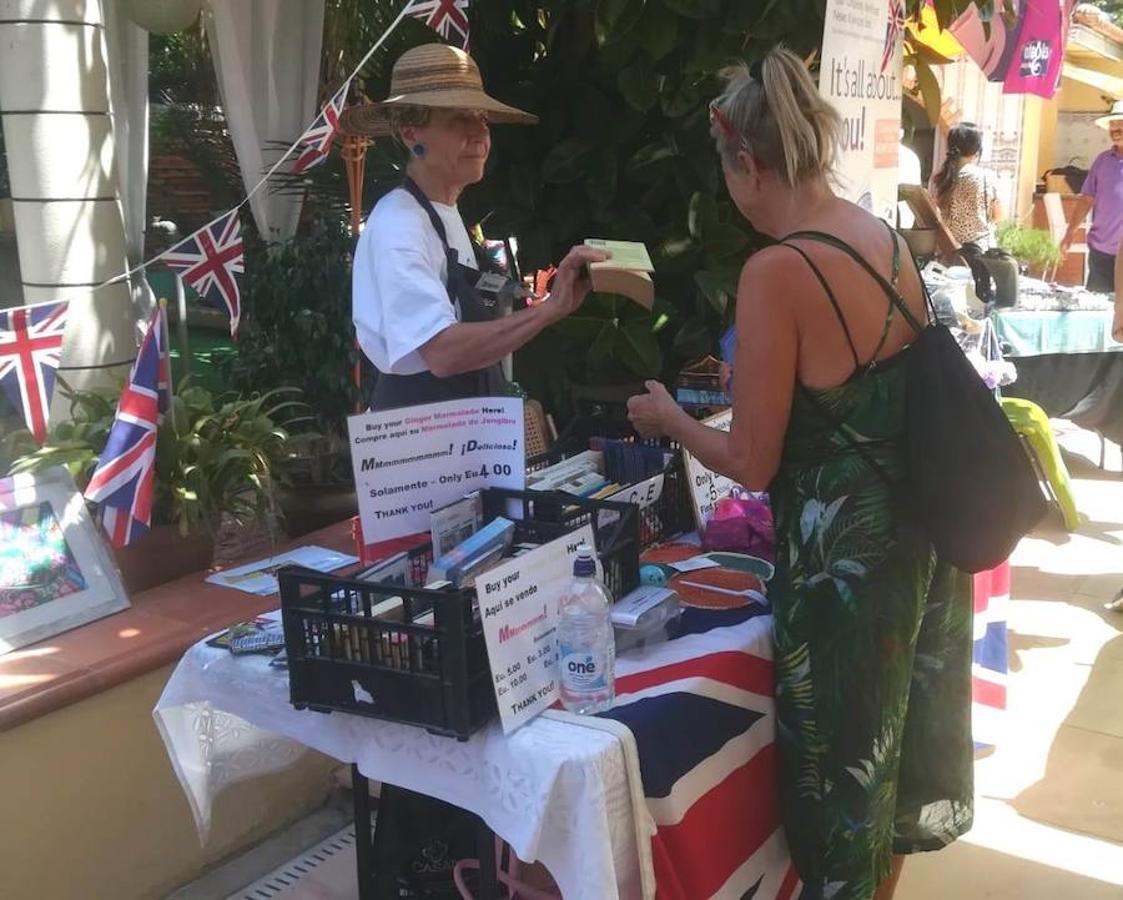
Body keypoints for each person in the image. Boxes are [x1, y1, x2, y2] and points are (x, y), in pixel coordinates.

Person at [627, 47, 973, 900]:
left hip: (843, 578)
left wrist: (671, 420)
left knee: (839, 795)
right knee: (883, 778)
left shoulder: (777, 271)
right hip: (918, 543)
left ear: (747, 162)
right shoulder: (881, 238)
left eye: (728, 175)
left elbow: (750, 460)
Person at [346, 43, 608, 410]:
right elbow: (443, 353)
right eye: (458, 118)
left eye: (482, 118)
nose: (479, 134)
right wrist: (549, 310)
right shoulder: (399, 226)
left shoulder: (444, 214)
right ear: (410, 133)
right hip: (421, 441)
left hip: (465, 430)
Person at [1059, 99, 1123, 293]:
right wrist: (1070, 232)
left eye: (1121, 123)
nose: (1115, 129)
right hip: (1101, 251)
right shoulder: (1102, 161)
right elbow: (1087, 198)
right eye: (1113, 124)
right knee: (1099, 307)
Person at [931, 122, 1003, 250]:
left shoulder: (939, 179)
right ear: (976, 151)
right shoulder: (985, 177)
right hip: (979, 254)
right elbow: (998, 216)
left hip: (947, 252)